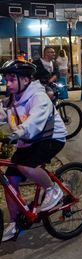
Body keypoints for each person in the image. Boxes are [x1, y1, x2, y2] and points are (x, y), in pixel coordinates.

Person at [0, 60, 68, 241]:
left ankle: (53, 189)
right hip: (28, 140)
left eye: (12, 79)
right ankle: (14, 223)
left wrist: (17, 133)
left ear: (25, 79)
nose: (8, 84)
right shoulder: (13, 99)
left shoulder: (39, 97)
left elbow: (34, 121)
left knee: (25, 165)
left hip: (51, 137)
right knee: (10, 181)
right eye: (6, 80)